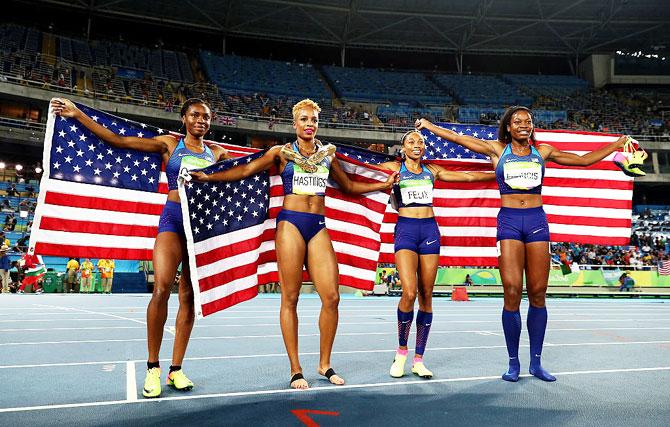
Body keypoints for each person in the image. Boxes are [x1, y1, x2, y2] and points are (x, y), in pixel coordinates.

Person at [191, 98, 396, 390]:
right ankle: (295, 369)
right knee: (290, 298)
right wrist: (208, 177)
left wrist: (381, 185)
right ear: (294, 123)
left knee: (332, 297)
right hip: (290, 224)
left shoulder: (328, 154)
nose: (309, 124)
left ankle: (324, 364)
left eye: (313, 120)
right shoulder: (282, 153)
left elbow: (349, 187)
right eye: (304, 120)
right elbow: (245, 171)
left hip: (318, 226)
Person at [416, 106, 628, 382]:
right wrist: (430, 127)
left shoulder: (545, 151)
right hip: (509, 222)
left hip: (537, 221)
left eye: (528, 121)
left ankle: (536, 364)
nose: (524, 125)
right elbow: (458, 139)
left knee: (538, 292)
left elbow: (584, 160)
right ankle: (513, 363)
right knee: (513, 291)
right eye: (518, 121)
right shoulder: (496, 150)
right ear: (508, 127)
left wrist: (616, 144)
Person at [51, 97, 230, 398]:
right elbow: (119, 141)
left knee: (188, 296)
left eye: (207, 117)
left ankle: (176, 369)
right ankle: (153, 368)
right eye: (195, 115)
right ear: (184, 118)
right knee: (161, 288)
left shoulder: (217, 152)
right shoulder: (169, 145)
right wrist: (78, 114)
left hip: (199, 227)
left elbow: (244, 173)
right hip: (173, 219)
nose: (201, 120)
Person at [374, 130, 495, 379]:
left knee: (426, 295)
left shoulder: (433, 171)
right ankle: (401, 352)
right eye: (411, 142)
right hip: (406, 231)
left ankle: (419, 359)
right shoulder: (391, 168)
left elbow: (468, 177)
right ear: (403, 147)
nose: (417, 145)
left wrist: (498, 173)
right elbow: (361, 171)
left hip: (429, 231)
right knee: (409, 292)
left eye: (421, 142)